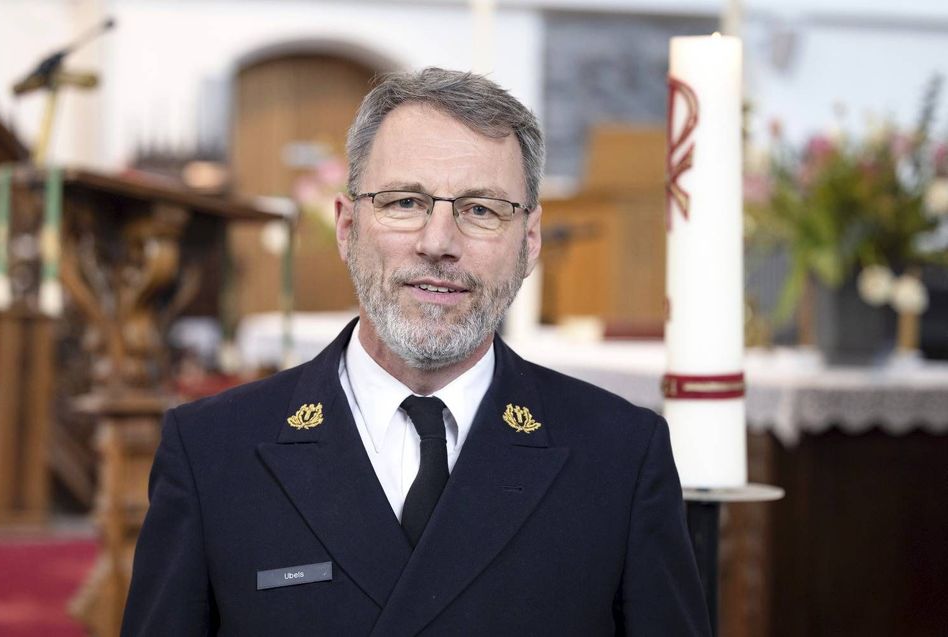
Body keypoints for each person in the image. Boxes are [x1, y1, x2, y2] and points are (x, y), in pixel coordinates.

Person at [122, 67, 710, 636]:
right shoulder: (210, 455)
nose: (438, 243)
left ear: (529, 242)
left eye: (481, 210)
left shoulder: (621, 458)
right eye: (405, 202)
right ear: (347, 226)